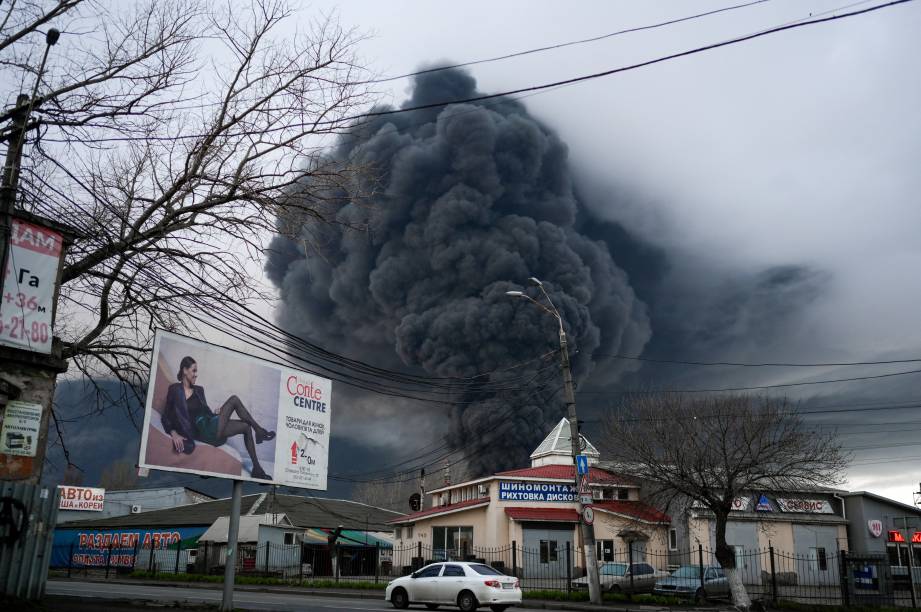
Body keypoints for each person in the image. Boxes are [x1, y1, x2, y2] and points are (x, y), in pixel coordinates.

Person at [162, 356, 275, 480]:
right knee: (234, 399)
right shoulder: (174, 390)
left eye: (196, 371)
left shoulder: (199, 390)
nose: (196, 374)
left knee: (246, 427)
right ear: (184, 370)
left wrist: (216, 414)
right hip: (201, 431)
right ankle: (259, 431)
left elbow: (205, 412)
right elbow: (166, 415)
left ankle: (257, 469)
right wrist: (173, 433)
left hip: (210, 425)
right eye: (194, 371)